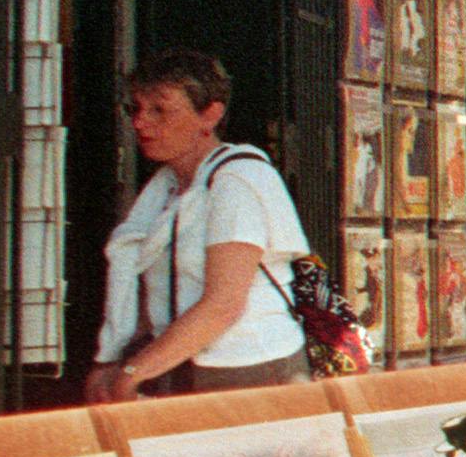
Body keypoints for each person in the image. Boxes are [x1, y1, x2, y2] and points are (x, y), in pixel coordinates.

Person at [86, 49, 316, 398]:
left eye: (159, 110)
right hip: (180, 365)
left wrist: (132, 373)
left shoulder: (238, 180)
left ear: (210, 114)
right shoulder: (166, 187)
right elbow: (154, 286)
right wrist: (117, 361)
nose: (140, 122)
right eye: (137, 108)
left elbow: (223, 304)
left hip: (248, 372)